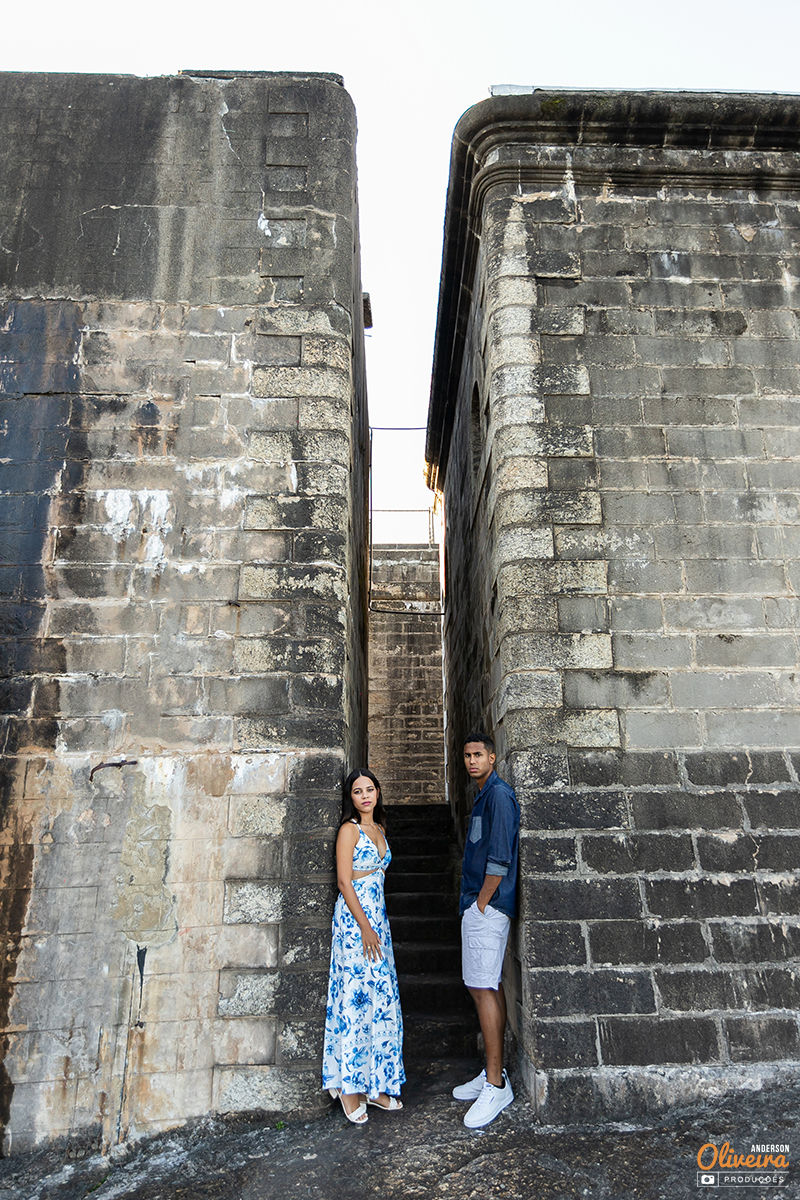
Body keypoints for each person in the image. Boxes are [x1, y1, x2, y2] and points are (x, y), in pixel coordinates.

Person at [322, 767, 405, 1124]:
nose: (365, 796)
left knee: (380, 999)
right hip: (356, 924)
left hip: (378, 922)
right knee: (356, 998)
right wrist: (365, 927)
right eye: (358, 791)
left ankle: (374, 1085)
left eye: (369, 789)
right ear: (351, 798)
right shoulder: (349, 830)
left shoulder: (380, 829)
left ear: (378, 792)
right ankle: (348, 1087)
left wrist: (376, 927)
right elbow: (344, 881)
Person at [452, 731, 519, 1128]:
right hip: (481, 906)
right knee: (485, 986)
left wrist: (481, 902)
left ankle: (496, 1084)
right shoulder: (483, 796)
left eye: (478, 754)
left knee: (482, 988)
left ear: (492, 758)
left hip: (488, 907)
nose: (472, 760)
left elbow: (500, 856)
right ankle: (493, 1072)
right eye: (467, 755)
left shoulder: (498, 795)